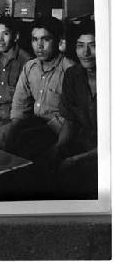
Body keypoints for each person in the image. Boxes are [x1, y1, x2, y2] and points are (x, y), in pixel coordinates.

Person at [0, 17, 76, 160]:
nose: (39, 46)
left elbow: (72, 120)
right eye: (35, 40)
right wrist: (13, 132)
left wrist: (59, 147)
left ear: (58, 41)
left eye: (45, 40)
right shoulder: (30, 67)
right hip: (32, 125)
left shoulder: (69, 70)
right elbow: (19, 105)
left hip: (56, 130)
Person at [53, 19, 97, 198]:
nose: (85, 53)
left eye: (93, 45)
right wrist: (58, 148)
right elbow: (70, 120)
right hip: (83, 143)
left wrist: (76, 160)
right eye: (80, 46)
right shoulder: (73, 75)